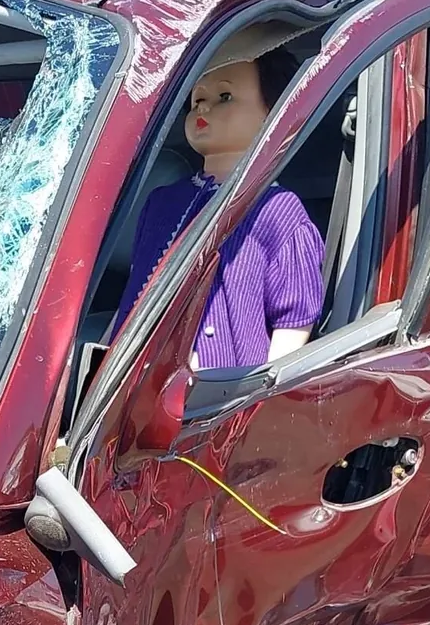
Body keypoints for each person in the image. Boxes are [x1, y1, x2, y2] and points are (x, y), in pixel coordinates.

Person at [111, 27, 326, 370]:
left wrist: (264, 388)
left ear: (273, 113)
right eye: (197, 99)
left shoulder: (277, 210)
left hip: (222, 387)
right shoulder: (161, 202)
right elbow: (134, 294)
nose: (204, 108)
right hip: (136, 379)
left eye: (225, 97)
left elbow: (294, 315)